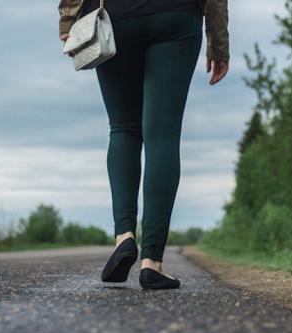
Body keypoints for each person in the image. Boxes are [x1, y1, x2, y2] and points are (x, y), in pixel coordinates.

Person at [58, 0, 230, 289]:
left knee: (122, 128)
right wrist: (218, 40)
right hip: (177, 15)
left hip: (117, 15)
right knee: (162, 135)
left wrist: (68, 19)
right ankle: (152, 263)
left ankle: (124, 237)